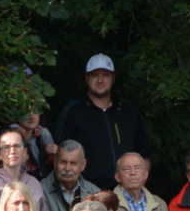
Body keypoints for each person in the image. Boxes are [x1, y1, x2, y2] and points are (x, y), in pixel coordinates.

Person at [54, 53, 152, 190]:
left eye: (105, 75)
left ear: (113, 78)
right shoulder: (73, 111)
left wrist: (138, 184)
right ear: (86, 78)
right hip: (86, 193)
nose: (100, 80)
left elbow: (144, 153)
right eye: (94, 75)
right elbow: (58, 152)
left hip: (127, 193)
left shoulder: (128, 111)